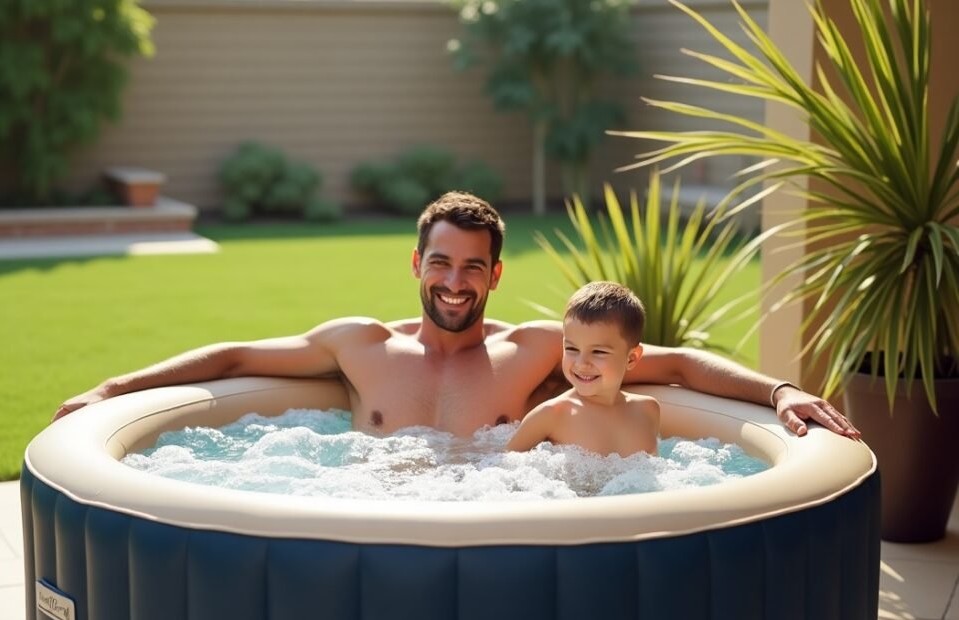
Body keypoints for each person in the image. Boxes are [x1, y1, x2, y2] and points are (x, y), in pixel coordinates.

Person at [54, 191, 860, 439]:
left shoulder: (539, 350)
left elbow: (678, 366)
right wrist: (114, 388)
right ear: (417, 264)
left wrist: (783, 392)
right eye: (440, 262)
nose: (454, 281)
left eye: (473, 266)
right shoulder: (360, 347)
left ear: (495, 275)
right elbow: (231, 360)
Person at [506, 281, 659, 457]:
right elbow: (502, 472)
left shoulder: (647, 410)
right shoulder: (552, 415)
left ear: (631, 358)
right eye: (571, 349)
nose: (581, 363)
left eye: (598, 352)